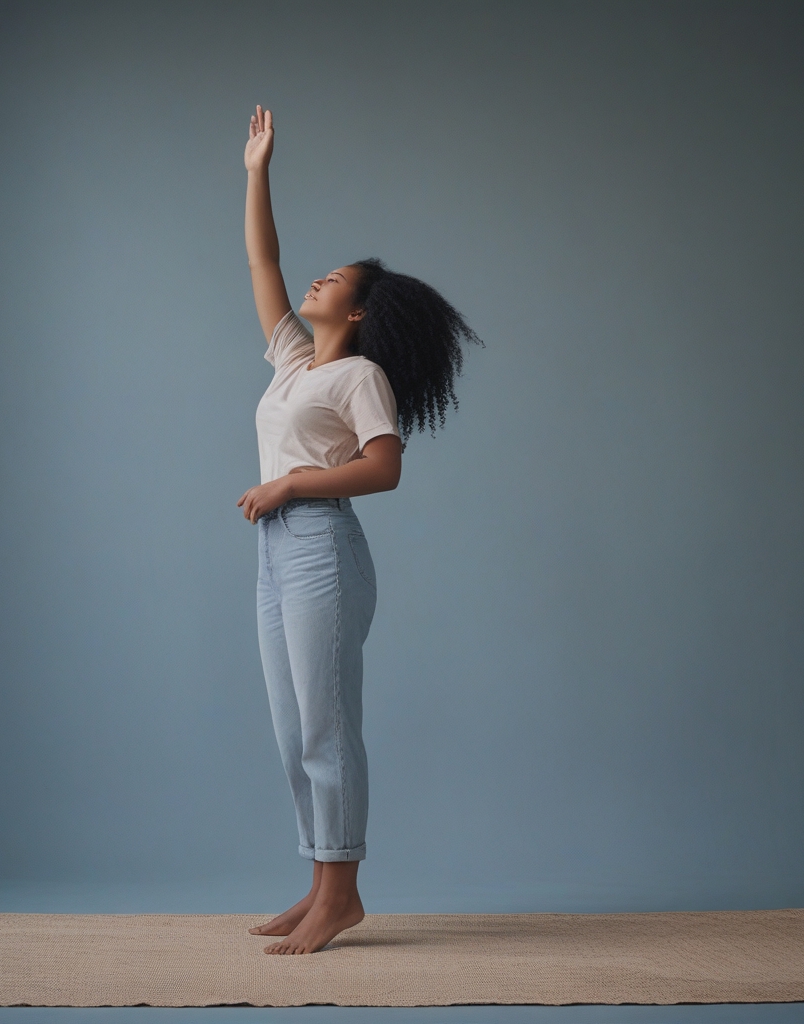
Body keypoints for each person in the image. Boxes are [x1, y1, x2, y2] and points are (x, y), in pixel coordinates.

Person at [238, 105, 481, 955]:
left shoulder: (360, 376)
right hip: (275, 554)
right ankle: (317, 888)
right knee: (289, 725)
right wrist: (257, 171)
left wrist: (294, 483)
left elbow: (385, 467)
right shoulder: (298, 361)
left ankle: (342, 896)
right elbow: (263, 259)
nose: (315, 283)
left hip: (318, 547)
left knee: (326, 723)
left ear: (363, 309)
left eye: (333, 280)